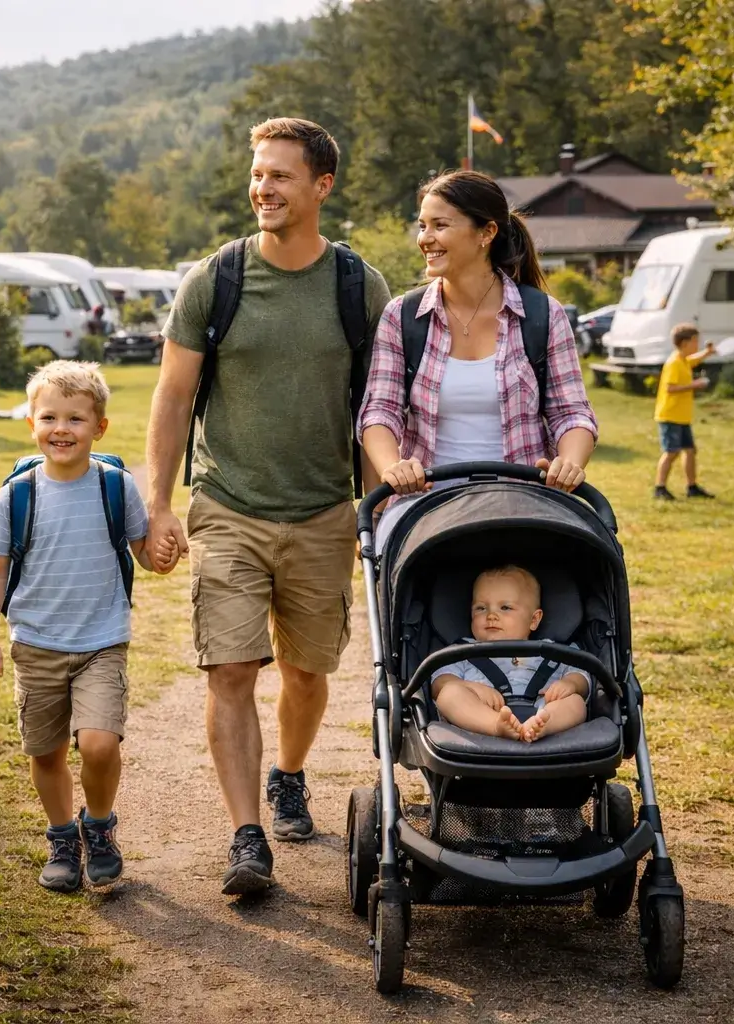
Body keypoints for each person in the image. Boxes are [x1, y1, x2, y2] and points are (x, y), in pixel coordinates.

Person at [145, 117, 391, 896]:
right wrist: (158, 502)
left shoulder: (360, 287)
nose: (264, 188)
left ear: (322, 186)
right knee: (228, 667)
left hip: (324, 510)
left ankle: (290, 774)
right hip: (229, 504)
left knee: (308, 670)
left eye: (281, 176)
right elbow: (174, 393)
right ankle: (247, 836)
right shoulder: (214, 278)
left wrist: (378, 506)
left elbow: (378, 406)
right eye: (258, 174)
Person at [0, 360, 166, 893]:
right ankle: (62, 837)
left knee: (100, 744)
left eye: (76, 419)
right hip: (35, 643)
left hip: (102, 641)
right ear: (32, 423)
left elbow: (142, 552)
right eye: (50, 417)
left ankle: (98, 827)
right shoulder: (17, 494)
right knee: (46, 752)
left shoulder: (115, 486)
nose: (62, 429)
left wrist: (162, 554)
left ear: (99, 427)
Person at [358, 168, 598, 551]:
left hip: (521, 503)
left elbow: (572, 412)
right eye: (422, 226)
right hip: (425, 508)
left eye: (440, 225)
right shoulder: (402, 316)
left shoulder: (541, 315)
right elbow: (379, 412)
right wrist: (393, 467)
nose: (425, 239)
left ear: (486, 233)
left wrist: (569, 461)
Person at [430, 566, 589, 743]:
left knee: (576, 702)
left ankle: (541, 726)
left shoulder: (554, 650)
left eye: (505, 607)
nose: (491, 615)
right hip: (481, 716)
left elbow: (581, 673)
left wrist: (571, 683)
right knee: (449, 694)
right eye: (481, 608)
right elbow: (439, 682)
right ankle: (496, 725)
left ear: (534, 619)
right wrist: (471, 687)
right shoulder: (462, 650)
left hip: (543, 709)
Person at [652, 323, 717, 501]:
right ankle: (659, 487)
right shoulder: (674, 362)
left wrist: (707, 353)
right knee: (671, 452)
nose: (698, 345)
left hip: (681, 416)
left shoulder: (682, 359)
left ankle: (692, 486)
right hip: (670, 415)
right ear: (685, 343)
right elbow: (670, 388)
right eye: (696, 341)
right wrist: (695, 385)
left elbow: (693, 360)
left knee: (689, 450)